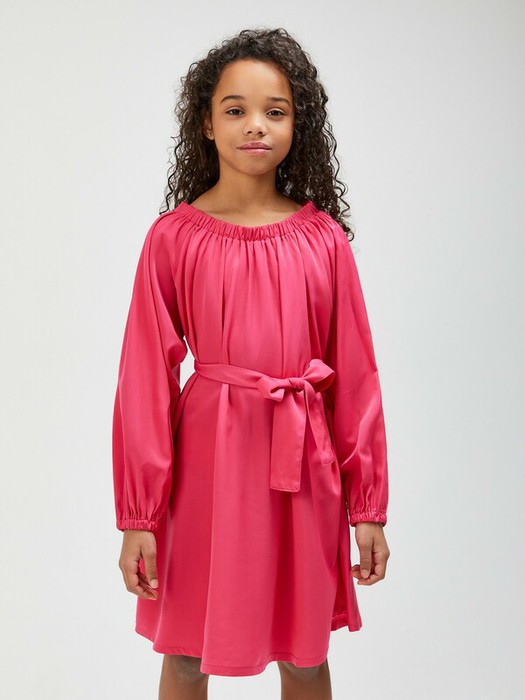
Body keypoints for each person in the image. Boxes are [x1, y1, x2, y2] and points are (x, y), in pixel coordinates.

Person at [112, 27, 390, 700]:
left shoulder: (323, 239)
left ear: (298, 124)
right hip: (204, 469)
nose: (255, 125)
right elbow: (144, 379)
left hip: (302, 473)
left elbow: (355, 378)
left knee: (303, 655)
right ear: (206, 123)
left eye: (275, 110)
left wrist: (368, 506)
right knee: (186, 651)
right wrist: (139, 516)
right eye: (235, 109)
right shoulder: (173, 238)